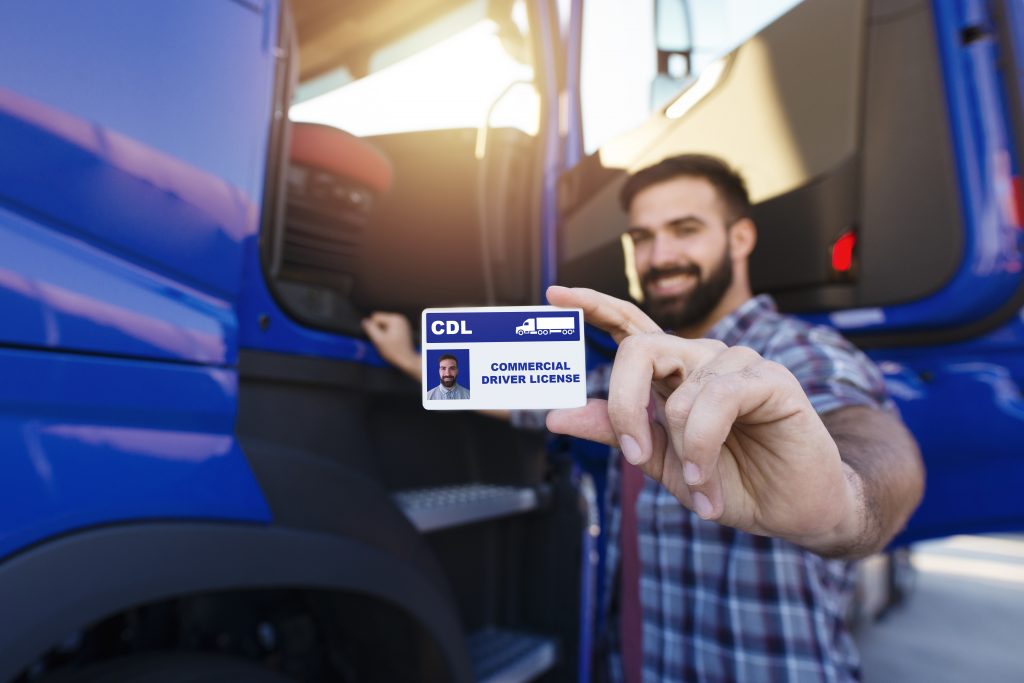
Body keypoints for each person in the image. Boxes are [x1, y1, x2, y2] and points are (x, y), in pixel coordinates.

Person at [363, 154, 924, 682]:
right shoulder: (634, 368)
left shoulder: (801, 353)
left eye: (685, 229)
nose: (659, 256)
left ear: (740, 238)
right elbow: (528, 397)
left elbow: (878, 443)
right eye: (642, 238)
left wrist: (842, 505)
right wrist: (414, 359)